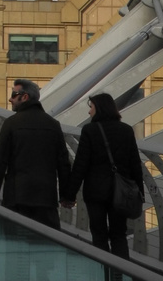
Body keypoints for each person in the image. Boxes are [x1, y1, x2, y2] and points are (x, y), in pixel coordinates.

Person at [64, 93, 143, 260]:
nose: (89, 112)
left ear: (98, 108)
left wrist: (69, 196)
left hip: (96, 193)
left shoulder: (90, 131)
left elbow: (81, 166)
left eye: (91, 107)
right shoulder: (126, 130)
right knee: (119, 235)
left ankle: (104, 273)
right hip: (120, 193)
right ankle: (120, 275)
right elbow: (135, 164)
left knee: (99, 234)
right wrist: (139, 194)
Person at [0, 78, 72, 230]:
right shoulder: (53, 125)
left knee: (15, 246)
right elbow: (63, 163)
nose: (10, 99)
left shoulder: (11, 124)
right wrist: (66, 195)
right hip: (46, 199)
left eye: (14, 94)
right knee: (46, 245)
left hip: (17, 197)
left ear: (24, 97)